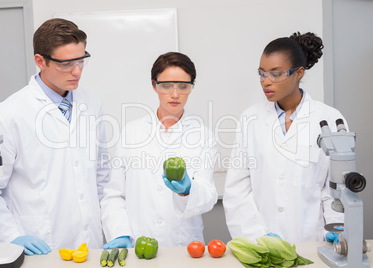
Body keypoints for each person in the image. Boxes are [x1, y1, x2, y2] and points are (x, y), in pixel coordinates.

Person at [0, 18, 109, 255]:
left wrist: (114, 228)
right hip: (41, 247)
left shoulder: (91, 103)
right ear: (40, 61)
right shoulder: (7, 115)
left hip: (91, 246)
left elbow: (101, 176)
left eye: (81, 60)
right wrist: (12, 237)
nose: (77, 71)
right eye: (67, 63)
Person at [223, 32, 345, 243]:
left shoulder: (330, 119)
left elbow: (335, 188)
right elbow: (237, 189)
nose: (266, 82)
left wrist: (336, 230)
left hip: (312, 241)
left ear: (298, 73)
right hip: (262, 242)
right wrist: (256, 237)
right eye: (262, 74)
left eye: (276, 74)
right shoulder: (250, 119)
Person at [100, 52, 218, 248]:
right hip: (138, 243)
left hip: (183, 246)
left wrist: (188, 191)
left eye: (183, 86)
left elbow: (208, 195)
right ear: (154, 85)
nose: (175, 94)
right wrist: (119, 233)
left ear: (191, 88)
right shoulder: (131, 133)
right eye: (166, 86)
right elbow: (115, 194)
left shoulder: (203, 136)